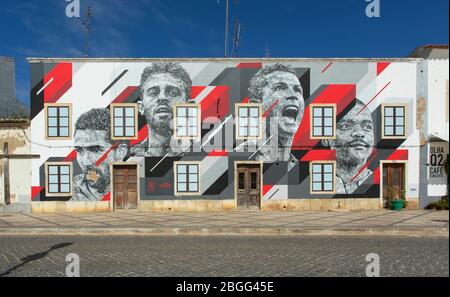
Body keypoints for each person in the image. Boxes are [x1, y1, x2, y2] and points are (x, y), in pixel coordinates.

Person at [247, 63, 305, 167]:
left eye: (297, 90)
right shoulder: (238, 161)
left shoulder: (301, 173)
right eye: (279, 88)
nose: (292, 95)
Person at [131, 62, 192, 157]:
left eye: (173, 92)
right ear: (141, 107)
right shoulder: (128, 158)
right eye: (153, 93)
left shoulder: (204, 156)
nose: (162, 97)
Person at [71, 108, 127, 201]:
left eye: (95, 150)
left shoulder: (136, 188)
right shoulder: (70, 191)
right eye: (80, 151)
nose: (86, 162)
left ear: (121, 152)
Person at [322, 99, 375, 194]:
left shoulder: (379, 183)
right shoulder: (310, 183)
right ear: (326, 138)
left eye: (367, 127)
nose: (359, 132)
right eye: (345, 126)